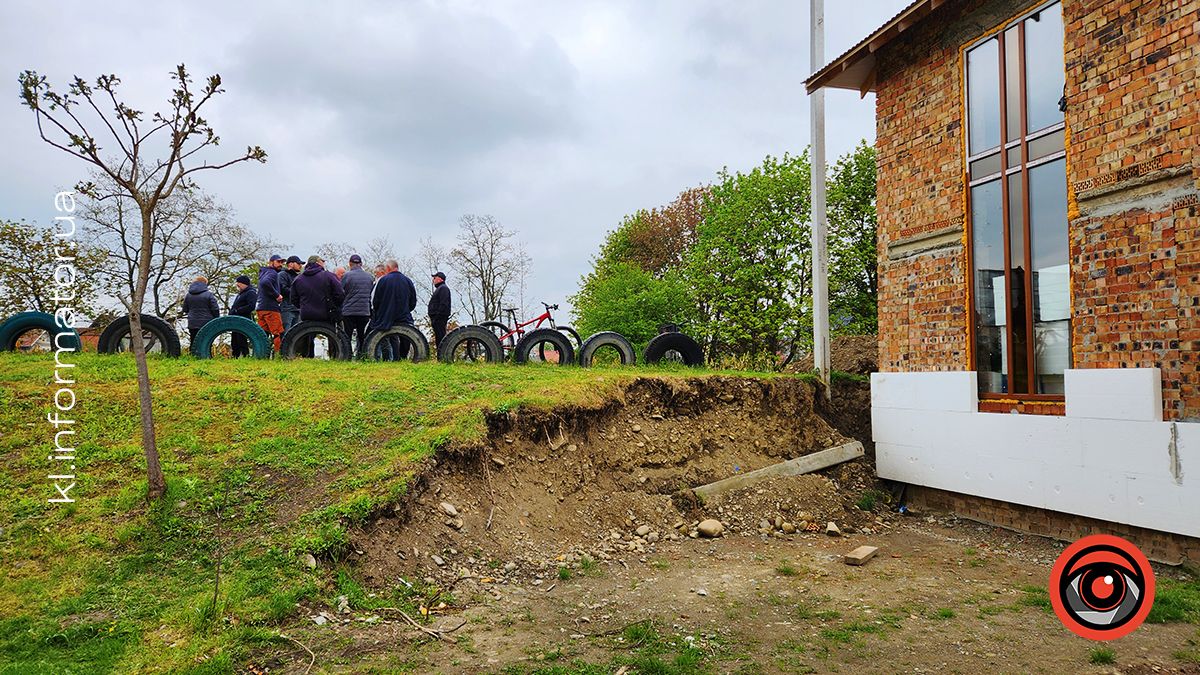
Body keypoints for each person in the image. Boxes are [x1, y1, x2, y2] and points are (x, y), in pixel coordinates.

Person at [369, 259, 417, 358]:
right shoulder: (407, 281)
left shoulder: (383, 280)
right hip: (404, 315)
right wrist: (407, 309)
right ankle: (401, 357)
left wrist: (378, 312)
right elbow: (413, 301)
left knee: (383, 337)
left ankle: (385, 358)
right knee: (406, 337)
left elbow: (375, 301)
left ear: (388, 268)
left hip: (386, 316)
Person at [290, 254, 346, 323]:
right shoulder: (329, 276)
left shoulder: (298, 279)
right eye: (322, 261)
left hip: (306, 315)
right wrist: (334, 306)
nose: (324, 263)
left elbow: (293, 298)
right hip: (327, 315)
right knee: (339, 330)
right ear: (318, 263)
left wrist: (303, 305)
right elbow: (340, 294)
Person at [340, 254, 373, 356]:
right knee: (362, 335)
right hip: (364, 311)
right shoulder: (369, 277)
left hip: (349, 311)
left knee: (347, 335)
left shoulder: (346, 276)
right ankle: (362, 355)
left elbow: (341, 292)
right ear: (361, 264)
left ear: (350, 264)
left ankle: (347, 355)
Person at [256, 254, 286, 353]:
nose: (280, 264)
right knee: (278, 333)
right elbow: (265, 283)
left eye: (282, 262)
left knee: (263, 334)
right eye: (278, 262)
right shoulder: (272, 273)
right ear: (271, 262)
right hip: (271, 308)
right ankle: (279, 355)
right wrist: (277, 295)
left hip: (261, 307)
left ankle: (261, 354)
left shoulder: (263, 272)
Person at [181, 275, 220, 342]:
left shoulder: (188, 295)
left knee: (193, 341)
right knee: (206, 342)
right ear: (205, 283)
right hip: (207, 323)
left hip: (192, 323)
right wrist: (216, 318)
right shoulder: (209, 294)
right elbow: (215, 309)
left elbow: (185, 309)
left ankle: (192, 352)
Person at [229, 274, 257, 357]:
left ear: (244, 283)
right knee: (234, 340)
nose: (237, 285)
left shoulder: (250, 293)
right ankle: (235, 356)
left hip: (243, 319)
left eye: (239, 283)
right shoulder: (240, 294)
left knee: (241, 339)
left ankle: (245, 355)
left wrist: (238, 311)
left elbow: (251, 306)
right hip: (236, 319)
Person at [428, 271, 452, 347]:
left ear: (440, 279)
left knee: (441, 337)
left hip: (439, 318)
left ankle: (442, 355)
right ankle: (441, 355)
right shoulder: (440, 288)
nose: (433, 280)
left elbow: (443, 304)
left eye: (435, 278)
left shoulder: (443, 289)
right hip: (437, 318)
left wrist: (437, 317)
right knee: (439, 337)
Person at [279, 255, 302, 332]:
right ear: (291, 264)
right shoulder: (282, 274)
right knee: (286, 333)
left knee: (295, 334)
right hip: (287, 308)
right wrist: (297, 292)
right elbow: (283, 289)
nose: (300, 265)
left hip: (297, 309)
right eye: (298, 263)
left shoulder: (298, 277)